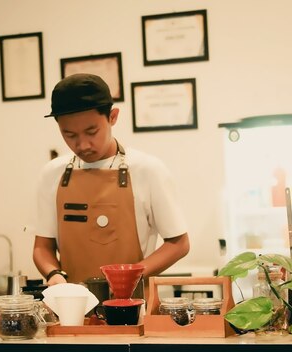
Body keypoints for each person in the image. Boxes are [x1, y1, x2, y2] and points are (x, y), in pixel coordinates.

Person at [32, 73, 190, 292]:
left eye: (91, 131)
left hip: (133, 306)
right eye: (69, 135)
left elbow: (179, 243)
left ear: (113, 116)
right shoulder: (52, 174)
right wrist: (53, 273)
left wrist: (132, 274)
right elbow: (42, 247)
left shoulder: (148, 170)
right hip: (72, 307)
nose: (83, 144)